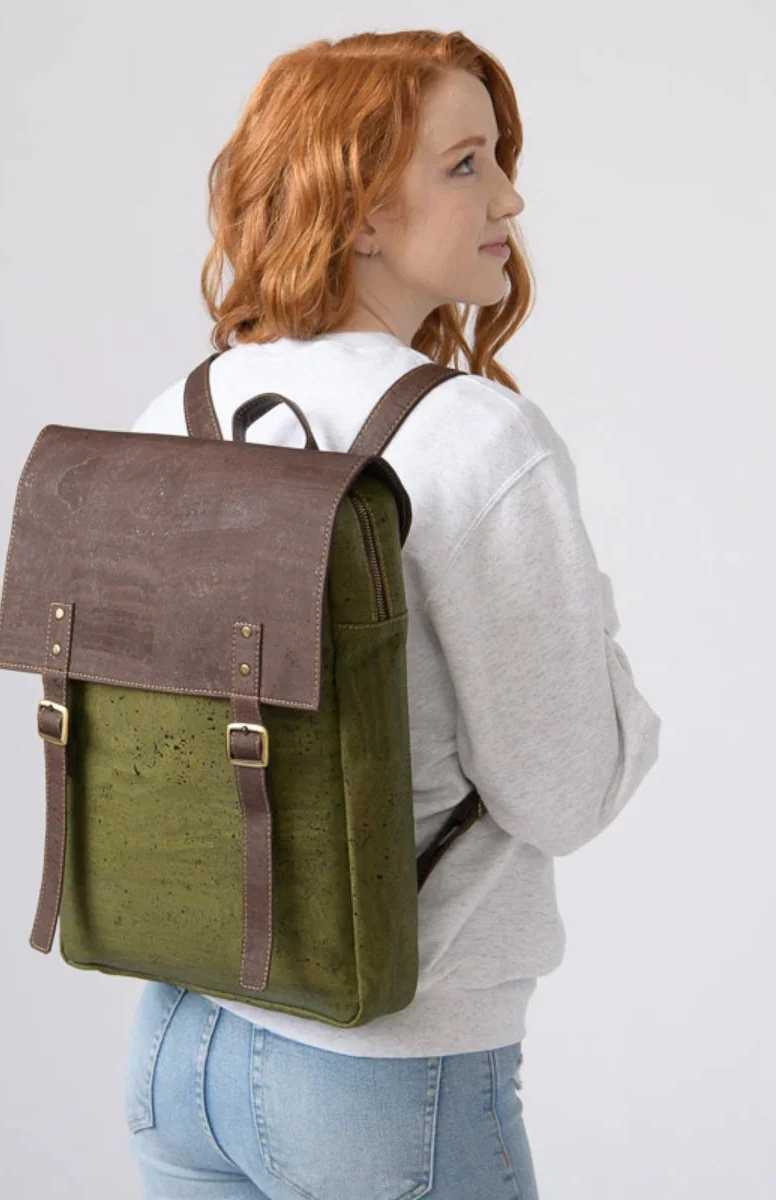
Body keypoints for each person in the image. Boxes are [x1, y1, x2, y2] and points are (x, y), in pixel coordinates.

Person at [123, 27, 662, 1200]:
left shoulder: (180, 404)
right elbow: (563, 793)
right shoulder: (477, 439)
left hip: (179, 1043)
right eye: (465, 165)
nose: (510, 197)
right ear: (358, 209)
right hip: (383, 1079)